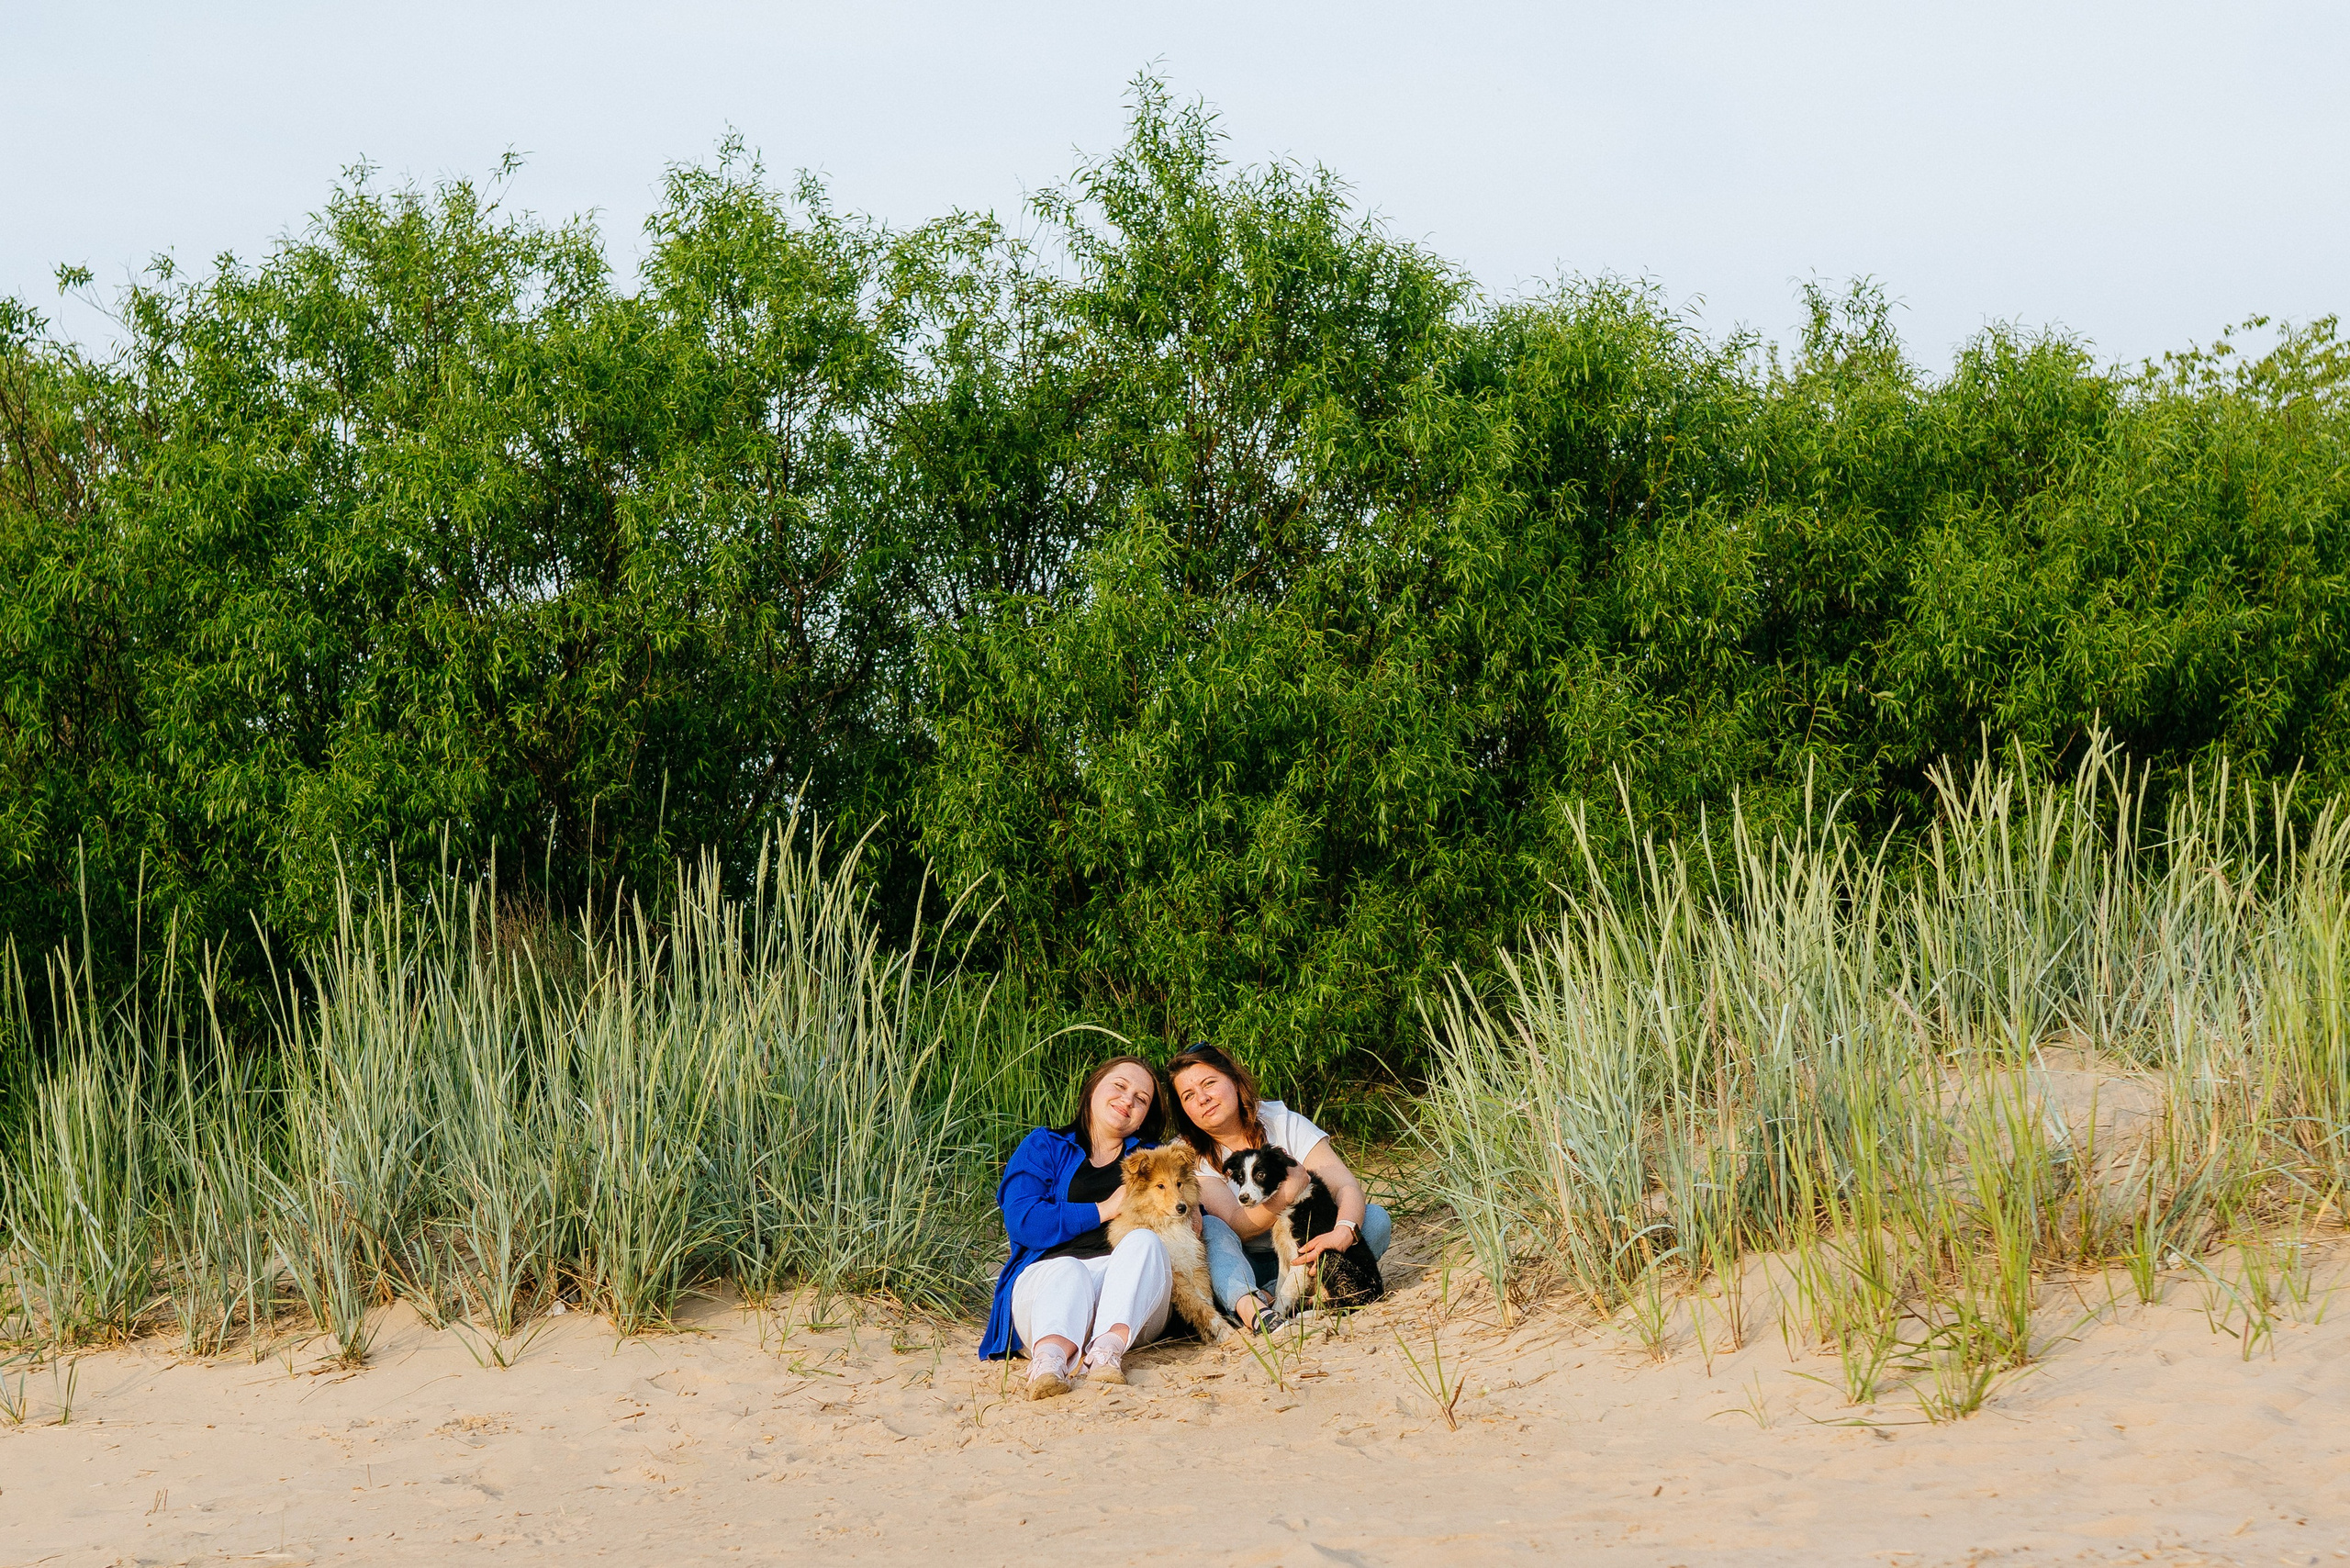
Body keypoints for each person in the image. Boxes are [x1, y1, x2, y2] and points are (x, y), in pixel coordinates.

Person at [980, 1056, 1190, 1398]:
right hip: (1047, 1284)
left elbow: (1188, 1194)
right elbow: (1024, 1223)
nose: (1128, 1100)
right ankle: (1049, 1363)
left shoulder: (1153, 1157)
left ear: (1145, 1116)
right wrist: (1105, 1208)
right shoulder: (1044, 1146)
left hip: (1130, 1292)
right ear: (1093, 1088)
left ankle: (1106, 1353)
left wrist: (1195, 1212)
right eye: (1120, 1086)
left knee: (1144, 1243)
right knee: (1067, 1270)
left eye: (1141, 1099)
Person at [1168, 1043, 1393, 1330]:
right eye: (1188, 1095)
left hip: (1304, 1248)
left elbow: (1344, 1184)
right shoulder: (1187, 1154)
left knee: (1372, 1220)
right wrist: (1291, 1188)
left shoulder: (1281, 1121)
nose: (1202, 1098)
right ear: (1184, 1109)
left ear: (1234, 1081)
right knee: (1213, 1229)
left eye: (1209, 1083)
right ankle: (1252, 1301)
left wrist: (1342, 1232)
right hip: (1243, 1262)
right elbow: (1239, 1225)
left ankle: (1280, 1297)